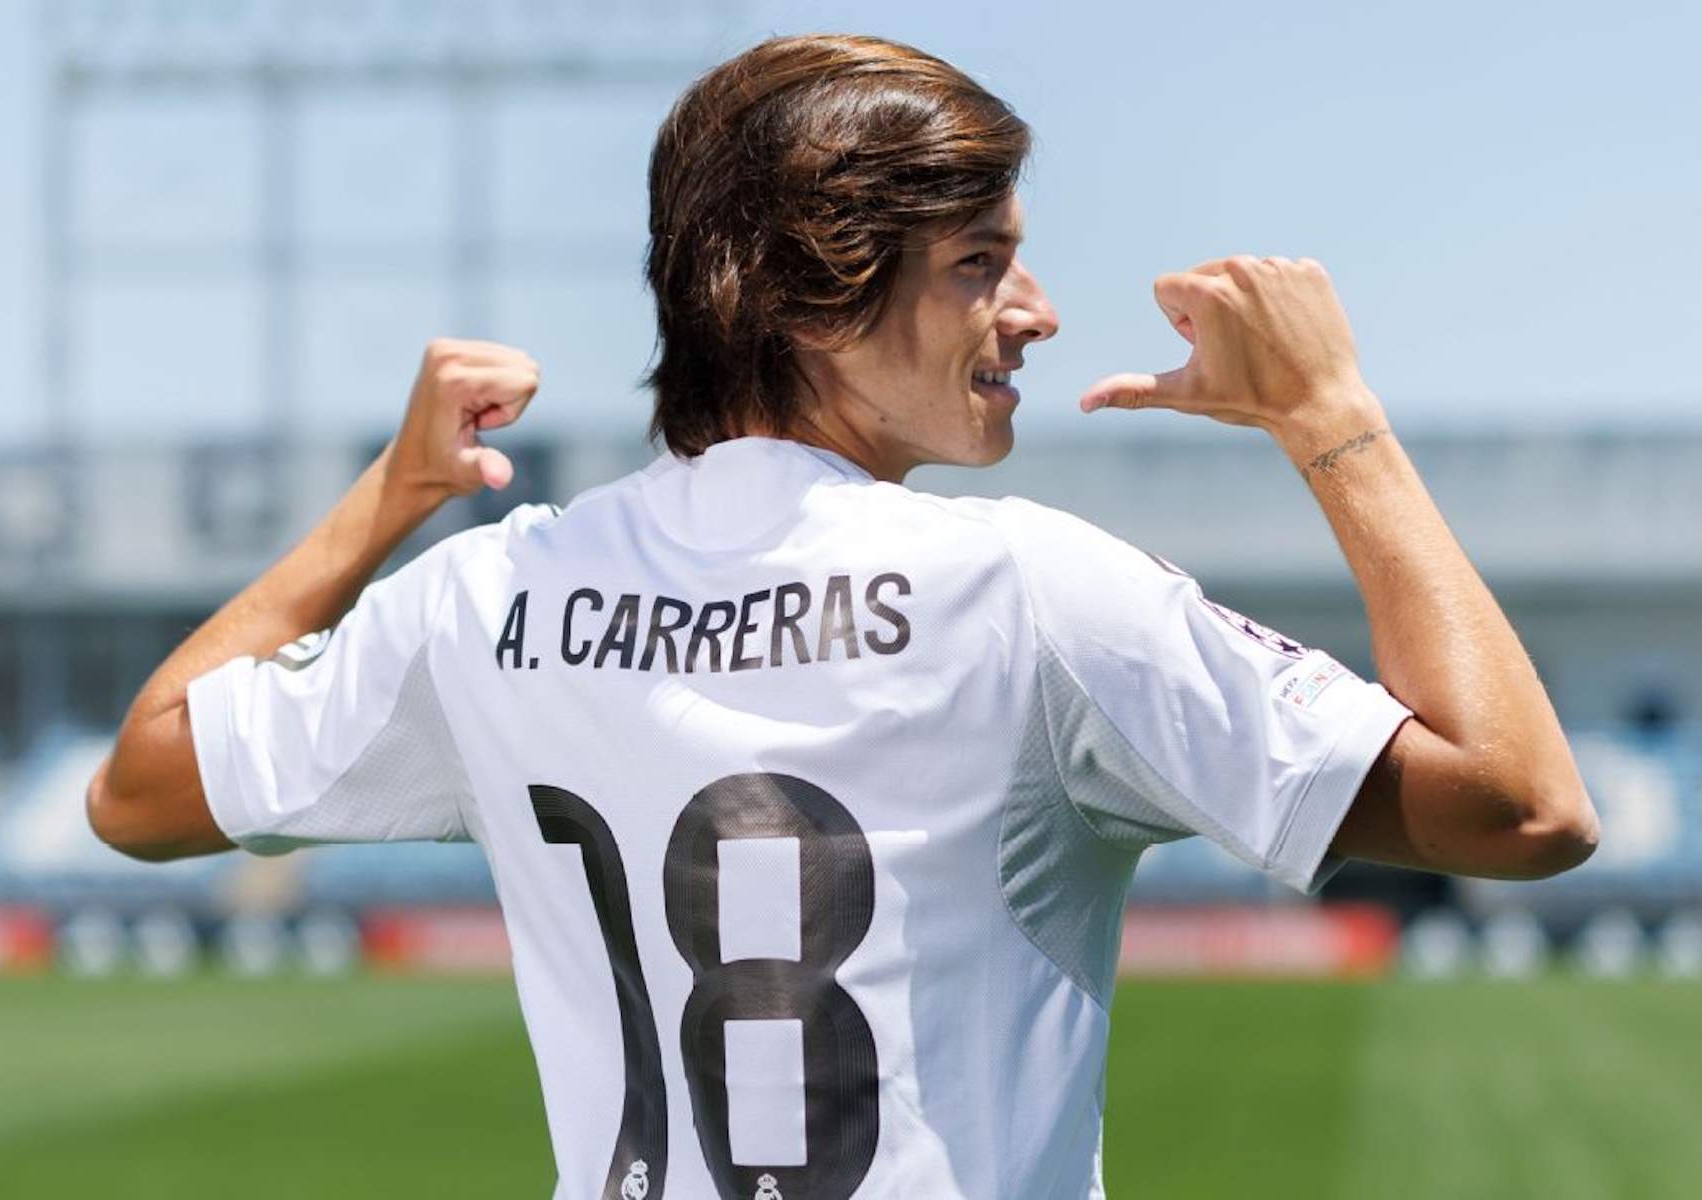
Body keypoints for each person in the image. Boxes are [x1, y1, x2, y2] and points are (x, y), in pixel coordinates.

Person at [87, 31, 1597, 1200]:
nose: (1035, 309)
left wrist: (394, 495)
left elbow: (139, 790)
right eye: (980, 263)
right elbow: (1524, 807)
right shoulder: (1028, 594)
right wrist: (1334, 420)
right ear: (811, 295)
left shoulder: (489, 597)